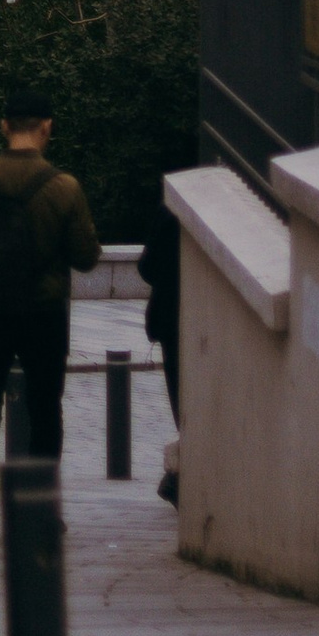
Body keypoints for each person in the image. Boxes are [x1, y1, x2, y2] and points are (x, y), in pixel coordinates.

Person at [0, 101, 101, 543]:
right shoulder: (64, 187)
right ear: (47, 127)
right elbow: (86, 257)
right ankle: (40, 504)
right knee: (46, 408)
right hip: (44, 315)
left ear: (3, 126)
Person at [136, 203, 181, 508]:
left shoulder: (170, 213)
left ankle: (180, 478)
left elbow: (146, 267)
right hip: (192, 320)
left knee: (183, 402)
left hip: (172, 320)